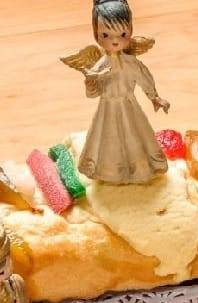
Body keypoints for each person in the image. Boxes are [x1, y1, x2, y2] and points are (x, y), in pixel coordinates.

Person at [61, 0, 170, 184]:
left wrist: (155, 97)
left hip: (129, 106)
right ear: (96, 34)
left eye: (123, 34)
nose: (114, 40)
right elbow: (92, 94)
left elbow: (144, 78)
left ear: (130, 31)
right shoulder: (99, 66)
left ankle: (139, 170)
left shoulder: (131, 63)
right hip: (108, 110)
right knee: (109, 141)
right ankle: (112, 172)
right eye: (105, 35)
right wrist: (91, 82)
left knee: (135, 137)